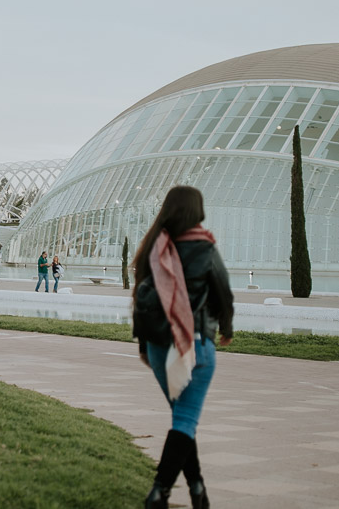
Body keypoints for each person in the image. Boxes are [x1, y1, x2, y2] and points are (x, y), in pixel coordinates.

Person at [131, 185, 233, 509]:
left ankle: (198, 489)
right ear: (196, 211)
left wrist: (144, 346)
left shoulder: (154, 246)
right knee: (186, 421)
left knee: (181, 421)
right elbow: (223, 295)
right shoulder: (205, 249)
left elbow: (140, 298)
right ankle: (159, 491)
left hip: (160, 347)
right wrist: (227, 327)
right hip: (196, 346)